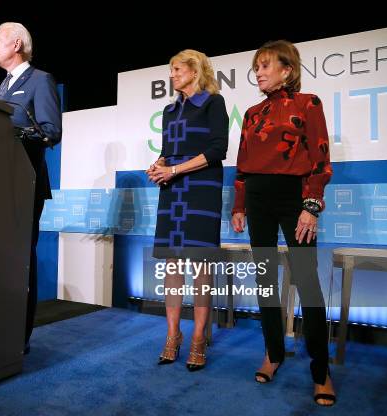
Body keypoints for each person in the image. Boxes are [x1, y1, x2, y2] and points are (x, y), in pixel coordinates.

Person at [231, 40, 335, 406]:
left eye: (264, 66)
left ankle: (321, 371)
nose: (258, 72)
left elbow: (321, 159)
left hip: (295, 199)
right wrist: (238, 206)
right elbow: (243, 166)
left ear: (286, 70)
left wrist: (311, 205)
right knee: (264, 279)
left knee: (307, 282)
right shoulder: (251, 112)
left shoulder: (309, 103)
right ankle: (273, 353)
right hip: (257, 199)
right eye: (256, 67)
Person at [147, 50, 228, 371]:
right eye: (171, 70)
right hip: (173, 192)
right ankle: (172, 335)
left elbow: (217, 149)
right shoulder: (169, 110)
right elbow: (168, 153)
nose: (172, 75)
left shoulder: (213, 102)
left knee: (201, 264)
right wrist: (158, 165)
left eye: (177, 69)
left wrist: (175, 170)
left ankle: (197, 338)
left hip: (201, 191)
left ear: (195, 72)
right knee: (172, 264)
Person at [0, 22, 62, 353]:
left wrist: (16, 135)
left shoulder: (40, 80)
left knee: (20, 260)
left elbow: (50, 131)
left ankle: (19, 336)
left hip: (24, 183)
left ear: (16, 44)